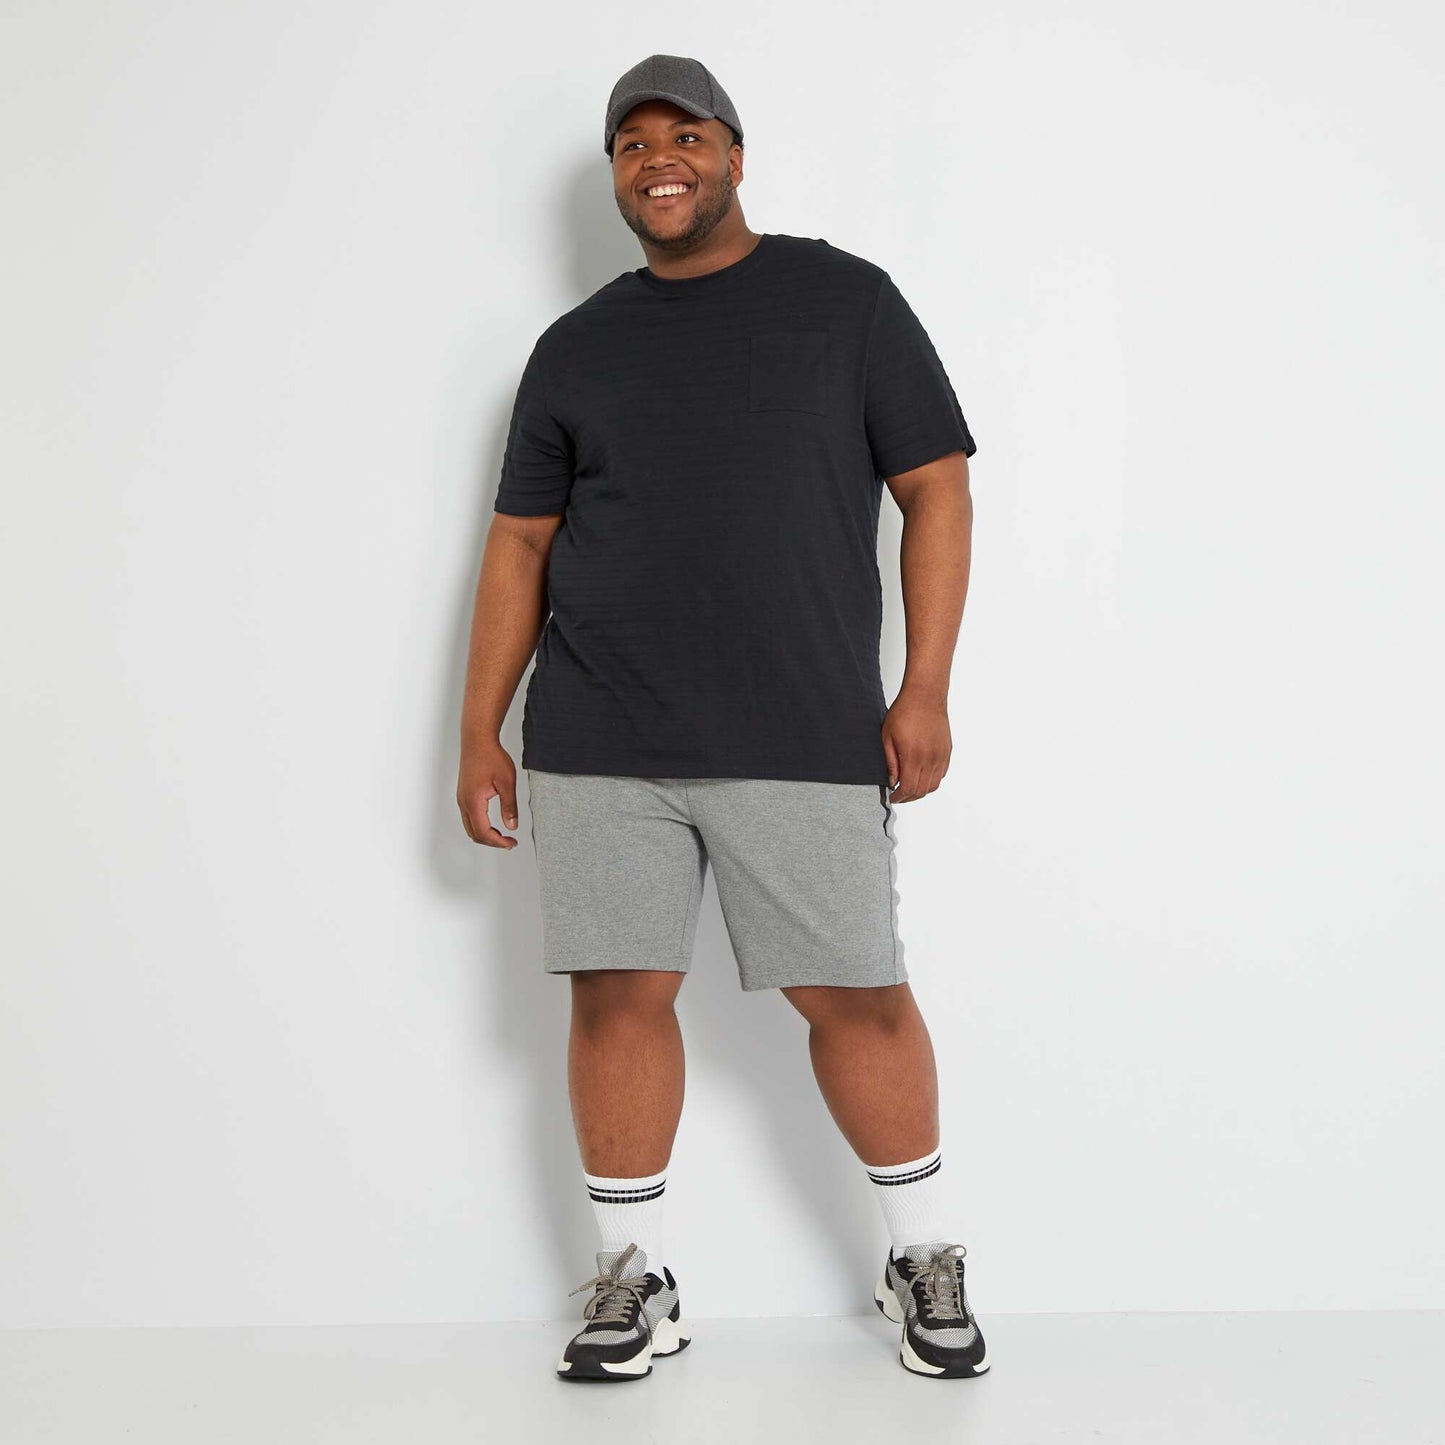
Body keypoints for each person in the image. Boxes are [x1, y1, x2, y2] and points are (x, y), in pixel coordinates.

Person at [457, 53, 988, 1383]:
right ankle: (633, 1281)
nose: (659, 161)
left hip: (799, 724)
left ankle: (922, 1256)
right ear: (617, 175)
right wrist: (479, 730)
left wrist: (923, 685)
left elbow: (936, 486)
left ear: (734, 157)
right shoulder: (575, 348)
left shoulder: (846, 303)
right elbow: (520, 544)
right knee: (616, 997)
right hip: (600, 734)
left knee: (856, 995)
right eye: (632, 144)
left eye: (684, 136)